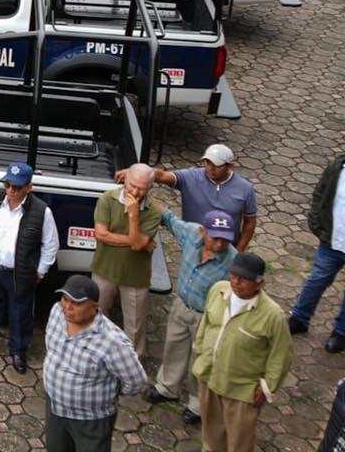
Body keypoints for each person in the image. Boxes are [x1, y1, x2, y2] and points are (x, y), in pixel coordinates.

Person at [145, 205, 238, 426]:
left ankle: (197, 403)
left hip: (207, 317)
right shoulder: (190, 232)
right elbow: (168, 218)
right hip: (181, 304)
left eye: (225, 240)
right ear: (203, 232)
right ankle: (167, 387)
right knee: (173, 345)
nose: (221, 244)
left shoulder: (233, 260)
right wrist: (145, 194)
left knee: (201, 359)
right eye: (216, 238)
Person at [193, 253, 294, 452]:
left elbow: (282, 355)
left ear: (260, 283)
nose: (236, 282)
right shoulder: (218, 290)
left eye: (244, 279)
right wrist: (200, 351)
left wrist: (266, 387)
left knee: (239, 441)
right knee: (211, 431)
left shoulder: (273, 316)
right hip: (209, 377)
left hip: (241, 390)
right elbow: (206, 324)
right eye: (233, 275)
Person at [0, 161, 60, 372]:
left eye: (17, 187)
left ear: (29, 187)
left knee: (20, 313)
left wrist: (40, 271)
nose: (11, 190)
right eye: (7, 185)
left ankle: (18, 351)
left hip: (19, 273)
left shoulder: (41, 211)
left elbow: (51, 244)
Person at [42, 275, 148, 452]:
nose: (67, 307)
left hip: (89, 420)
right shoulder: (56, 312)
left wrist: (107, 391)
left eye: (76, 303)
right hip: (54, 408)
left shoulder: (112, 342)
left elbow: (137, 381)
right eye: (65, 299)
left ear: (94, 307)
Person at [125, 145, 257, 251]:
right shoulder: (192, 177)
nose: (210, 168)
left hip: (226, 248)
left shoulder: (245, 189)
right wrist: (138, 172)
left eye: (216, 165)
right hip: (193, 246)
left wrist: (239, 251)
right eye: (207, 162)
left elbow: (249, 223)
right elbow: (163, 176)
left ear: (230, 166)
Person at [92, 162, 161, 359]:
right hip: (104, 269)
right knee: (98, 317)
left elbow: (138, 246)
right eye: (132, 186)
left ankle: (132, 362)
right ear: (125, 180)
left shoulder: (153, 212)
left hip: (135, 276)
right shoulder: (107, 199)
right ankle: (97, 356)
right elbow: (101, 234)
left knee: (135, 325)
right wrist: (137, 240)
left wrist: (133, 214)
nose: (136, 193)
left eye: (142, 189)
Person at [289, 152, 345, 351]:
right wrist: (315, 221)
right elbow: (320, 192)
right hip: (332, 240)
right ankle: (300, 318)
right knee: (317, 279)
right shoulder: (337, 167)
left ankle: (341, 331)